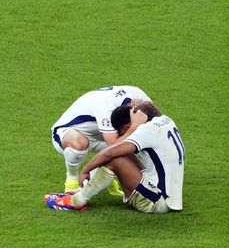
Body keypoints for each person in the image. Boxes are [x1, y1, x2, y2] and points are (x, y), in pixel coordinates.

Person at [46, 100, 185, 214]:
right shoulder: (166, 120)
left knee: (116, 159)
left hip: (157, 201)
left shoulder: (146, 131)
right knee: (123, 154)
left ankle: (77, 201)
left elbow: (109, 152)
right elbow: (150, 109)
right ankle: (80, 193)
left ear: (127, 126)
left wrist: (85, 171)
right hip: (170, 197)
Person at [50, 86, 151, 194]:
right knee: (81, 144)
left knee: (127, 145)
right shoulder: (105, 106)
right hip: (69, 133)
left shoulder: (139, 96)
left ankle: (105, 178)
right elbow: (114, 146)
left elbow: (155, 125)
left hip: (103, 136)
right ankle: (72, 179)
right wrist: (134, 127)